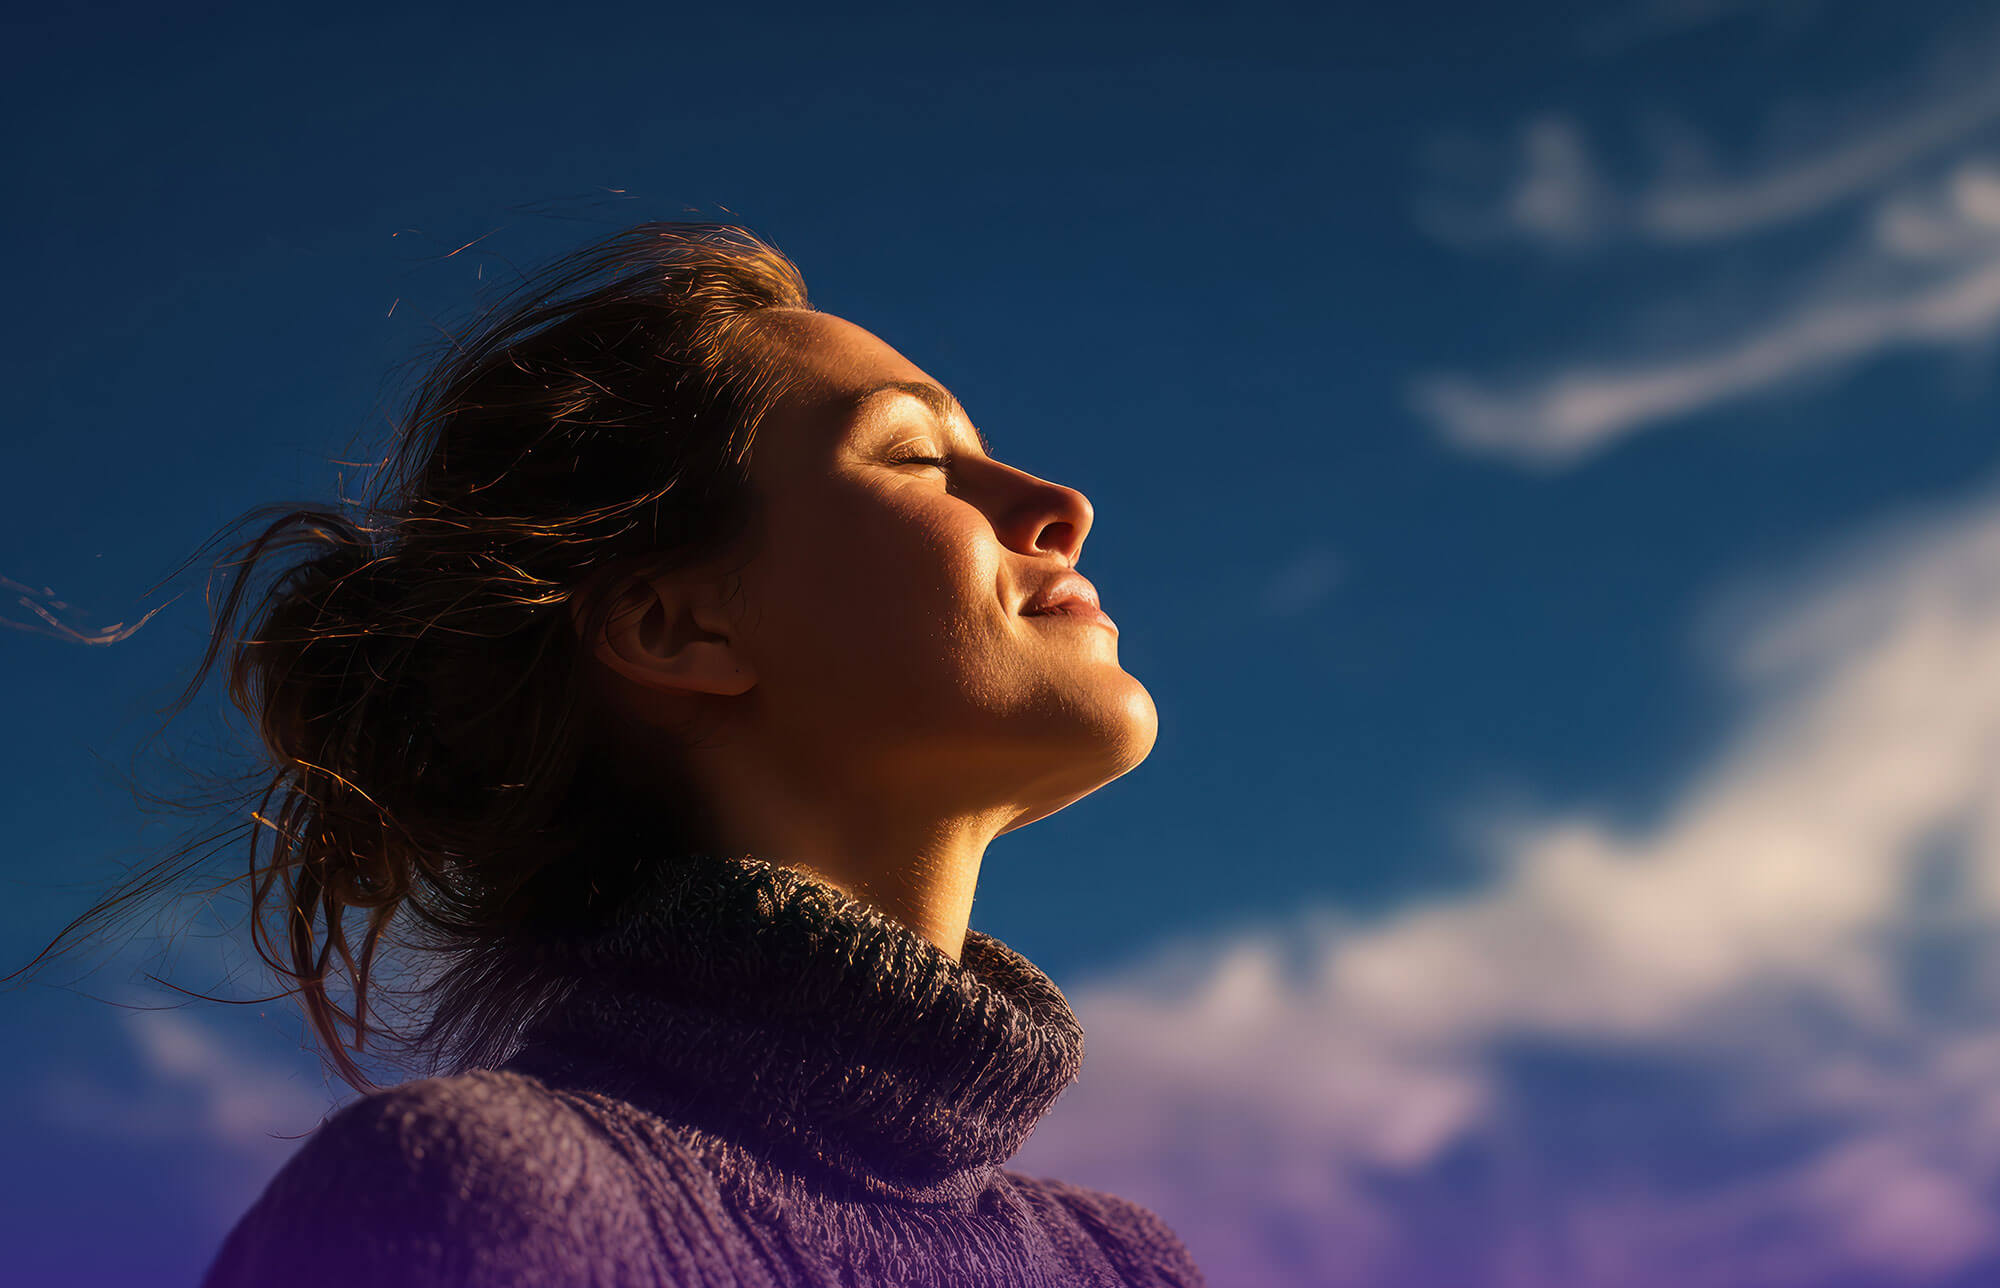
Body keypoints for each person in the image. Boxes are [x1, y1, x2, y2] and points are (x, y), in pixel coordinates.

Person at [89, 222, 1203, 1285]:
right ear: (677, 629)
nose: (1061, 505)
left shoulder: (1127, 1263)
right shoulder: (482, 1197)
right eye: (914, 456)